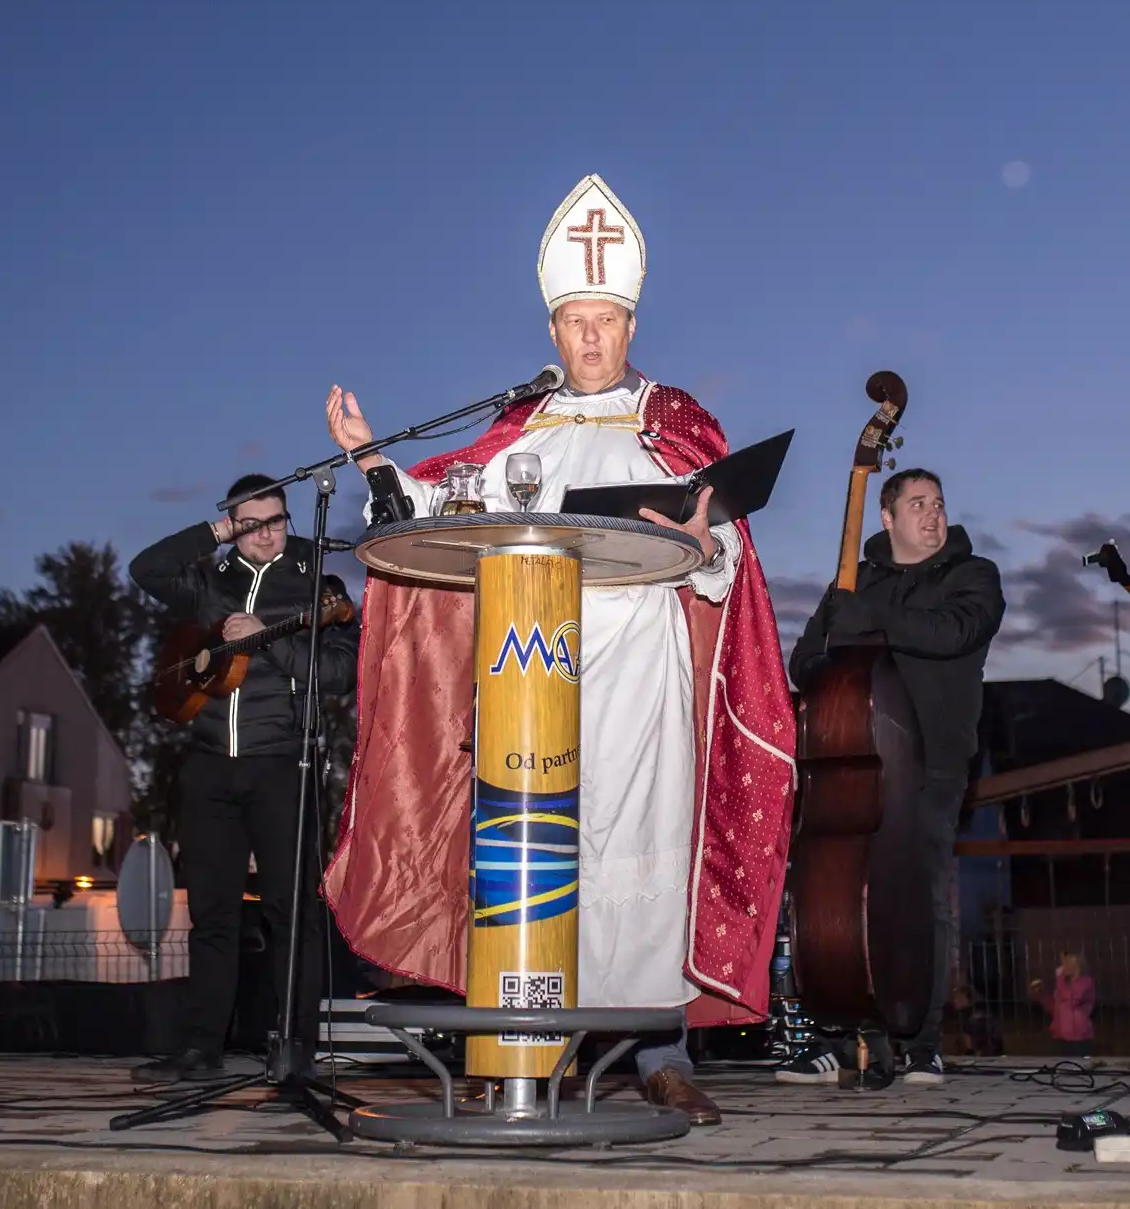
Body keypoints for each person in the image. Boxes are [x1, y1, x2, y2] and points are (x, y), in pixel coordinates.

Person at [321, 175, 798, 1126]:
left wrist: (706, 547)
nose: (590, 339)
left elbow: (723, 559)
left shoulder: (675, 424)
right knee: (541, 861)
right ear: (552, 331)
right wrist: (373, 460)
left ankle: (658, 1055)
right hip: (533, 672)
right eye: (575, 321)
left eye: (607, 321)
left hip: (644, 675)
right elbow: (447, 504)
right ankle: (523, 1047)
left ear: (631, 324)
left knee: (642, 853)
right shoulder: (522, 430)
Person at [127, 475, 359, 1084]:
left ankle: (296, 1049)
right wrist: (215, 534)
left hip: (285, 763)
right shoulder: (211, 580)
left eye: (277, 519)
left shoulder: (317, 581)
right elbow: (146, 569)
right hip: (207, 767)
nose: (268, 532)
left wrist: (268, 644)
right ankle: (203, 1048)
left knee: (292, 914)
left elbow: (339, 674)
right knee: (211, 916)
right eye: (251, 523)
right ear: (232, 524)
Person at [783, 468, 1005, 1087]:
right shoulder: (852, 582)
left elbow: (953, 632)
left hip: (932, 762)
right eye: (917, 504)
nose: (932, 515)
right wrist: (840, 631)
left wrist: (868, 617)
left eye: (938, 503)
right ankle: (833, 1033)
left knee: (922, 898)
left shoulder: (972, 574)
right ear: (886, 517)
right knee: (833, 896)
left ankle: (922, 1042)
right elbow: (804, 663)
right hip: (854, 760)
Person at [1031, 950, 1095, 1059]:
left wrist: (1059, 977)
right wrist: (1041, 995)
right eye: (1063, 964)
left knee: (1080, 1064)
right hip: (1063, 1033)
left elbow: (1073, 999)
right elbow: (1056, 1006)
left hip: (1079, 1034)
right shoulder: (1063, 984)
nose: (1063, 967)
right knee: (1065, 1064)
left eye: (1068, 964)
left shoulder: (1086, 982)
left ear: (1077, 966)